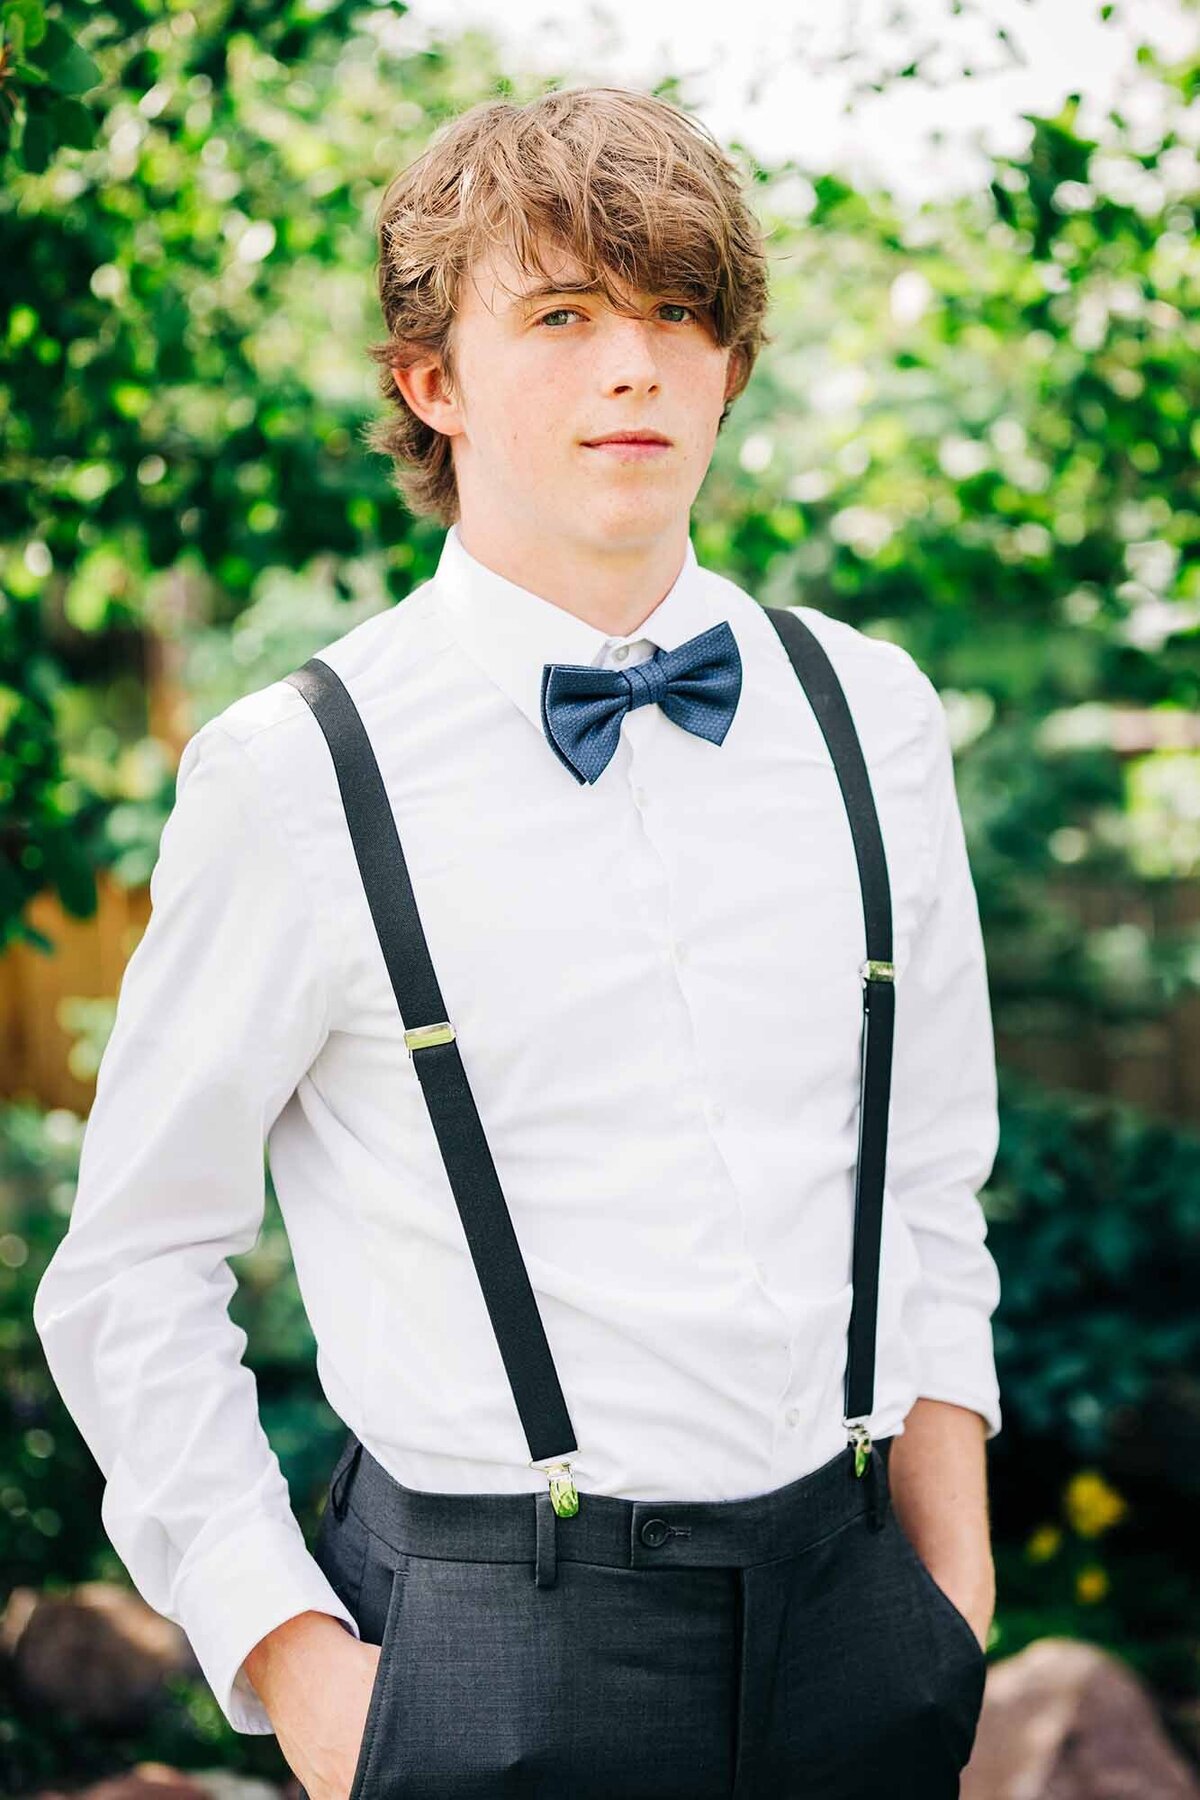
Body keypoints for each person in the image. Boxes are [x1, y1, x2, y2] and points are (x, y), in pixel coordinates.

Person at [33, 84, 1002, 1799]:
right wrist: (301, 1671)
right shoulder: (296, 775)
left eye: (677, 315)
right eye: (561, 316)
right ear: (432, 382)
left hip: (860, 1631)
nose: (633, 366)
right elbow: (129, 1274)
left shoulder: (871, 714)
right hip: (487, 1653)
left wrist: (951, 1588)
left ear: (728, 368)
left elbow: (926, 1174)